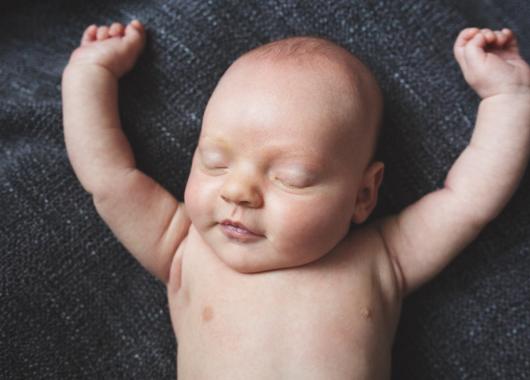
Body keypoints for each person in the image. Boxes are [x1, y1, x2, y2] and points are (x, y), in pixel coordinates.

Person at [62, 20, 530, 379]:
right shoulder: (182, 246)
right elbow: (110, 178)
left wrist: (508, 98)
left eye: (292, 178)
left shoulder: (383, 257)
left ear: (363, 195)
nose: (237, 191)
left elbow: (468, 200)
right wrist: (89, 75)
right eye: (214, 161)